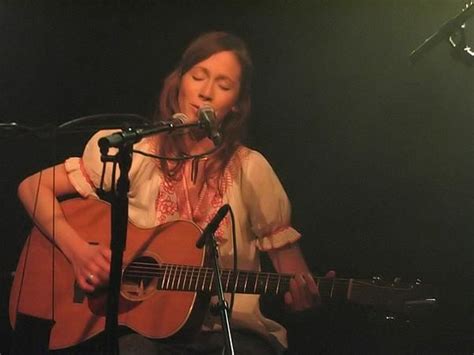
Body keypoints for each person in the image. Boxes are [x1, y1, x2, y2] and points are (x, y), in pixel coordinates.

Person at [16, 31, 322, 354]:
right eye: (198, 76)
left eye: (223, 85)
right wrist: (79, 252)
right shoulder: (137, 153)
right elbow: (33, 187)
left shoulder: (252, 169)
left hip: (232, 335)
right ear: (179, 83)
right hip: (144, 331)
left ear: (236, 105)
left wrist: (306, 297)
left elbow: (295, 278)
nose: (205, 92)